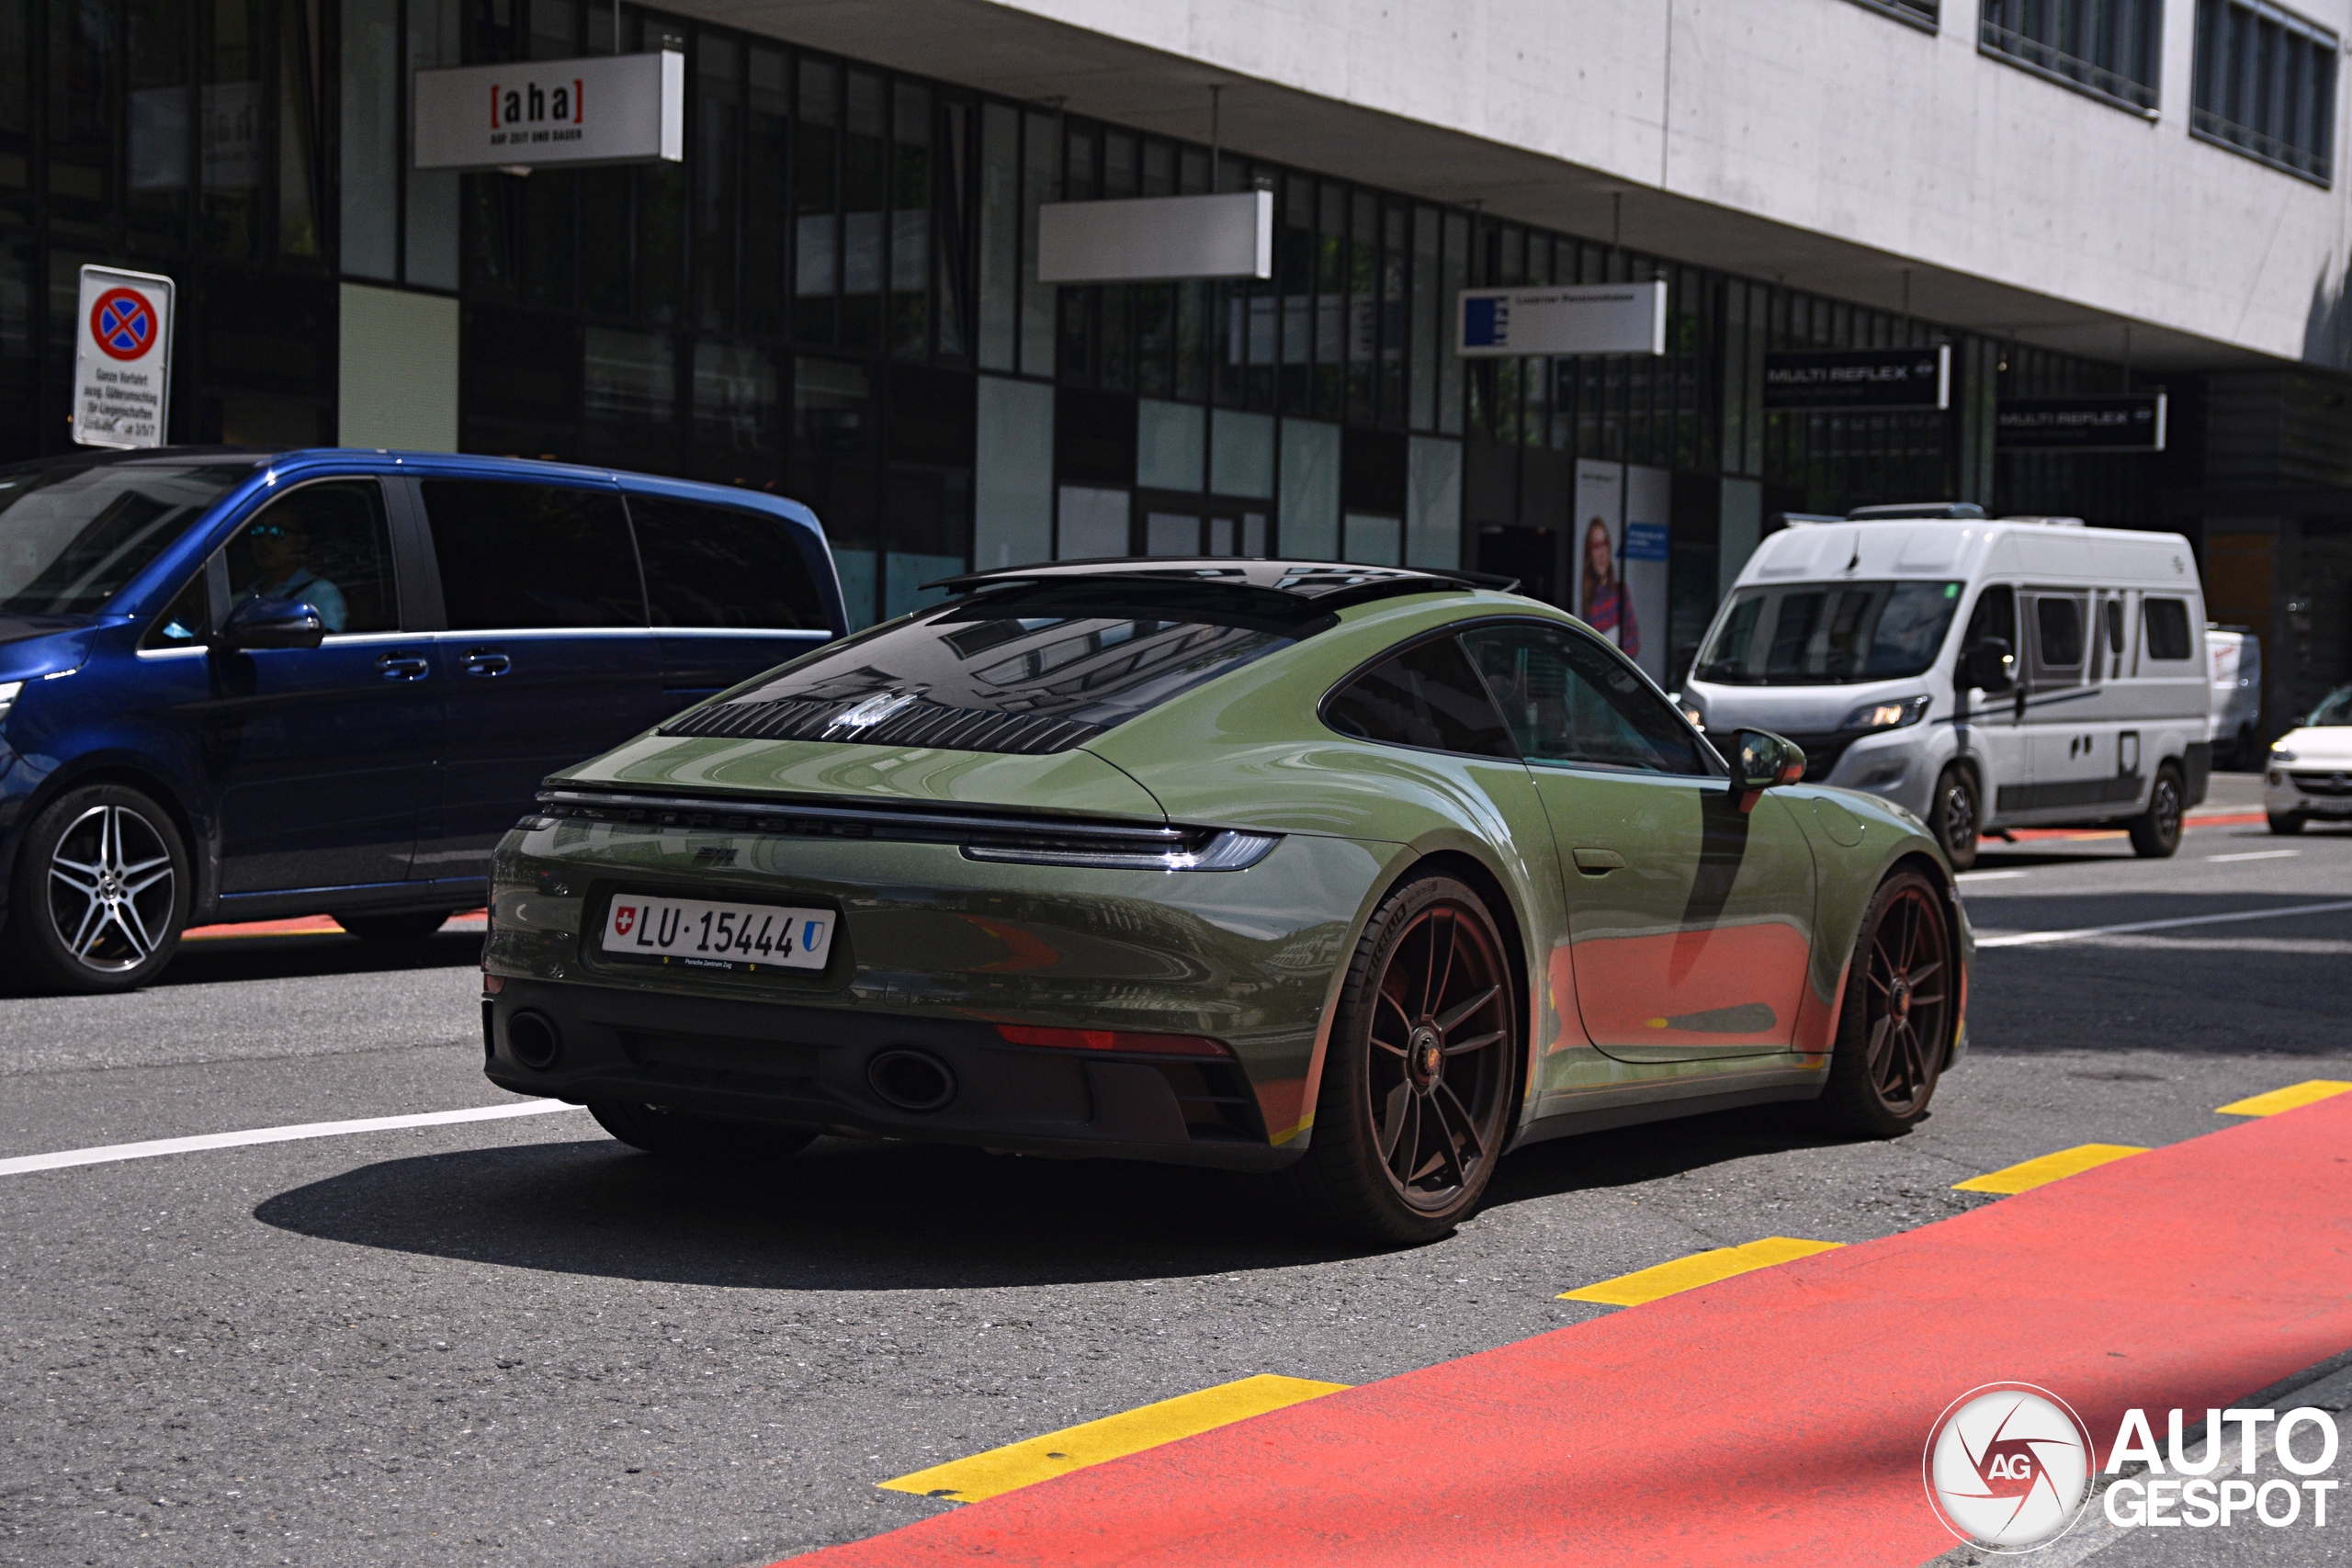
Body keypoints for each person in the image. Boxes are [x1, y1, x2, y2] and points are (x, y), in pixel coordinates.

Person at [239, 515, 347, 633]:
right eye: (258, 531)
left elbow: (325, 647)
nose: (264, 541)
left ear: (301, 542)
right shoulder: (244, 596)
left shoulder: (320, 593)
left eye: (277, 532)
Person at [1578, 515, 1637, 658]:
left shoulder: (1620, 592)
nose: (1602, 553)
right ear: (1589, 554)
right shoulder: (1588, 600)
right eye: (1596, 546)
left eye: (1605, 544)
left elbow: (1634, 642)